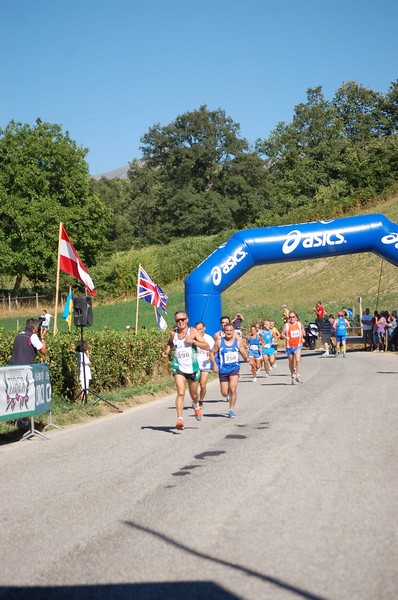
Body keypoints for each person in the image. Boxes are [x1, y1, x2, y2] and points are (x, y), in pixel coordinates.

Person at [162, 310, 209, 430]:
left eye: (182, 319)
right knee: (181, 392)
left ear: (187, 320)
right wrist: (167, 351)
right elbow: (170, 343)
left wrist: (193, 341)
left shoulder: (192, 331)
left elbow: (206, 346)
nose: (180, 322)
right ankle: (179, 419)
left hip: (192, 367)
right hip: (179, 367)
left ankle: (196, 405)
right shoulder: (174, 333)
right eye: (178, 320)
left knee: (193, 393)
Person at [10, 318, 47, 429]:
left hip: (13, 368)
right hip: (25, 370)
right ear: (35, 328)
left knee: (17, 395)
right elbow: (43, 351)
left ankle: (19, 419)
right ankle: (25, 422)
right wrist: (43, 337)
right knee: (26, 395)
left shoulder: (19, 335)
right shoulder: (33, 336)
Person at [210, 323, 248, 418]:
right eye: (227, 331)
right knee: (224, 393)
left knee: (233, 388)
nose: (229, 332)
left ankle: (231, 409)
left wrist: (246, 358)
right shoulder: (219, 342)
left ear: (233, 331)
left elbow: (243, 352)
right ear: (224, 332)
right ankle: (228, 396)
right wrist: (214, 364)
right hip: (223, 369)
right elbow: (211, 353)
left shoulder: (238, 342)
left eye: (231, 330)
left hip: (234, 368)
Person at [281, 311, 306, 384]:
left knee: (298, 359)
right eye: (290, 317)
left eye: (293, 317)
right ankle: (293, 375)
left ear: (296, 318)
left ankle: (298, 375)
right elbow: (282, 334)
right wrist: (286, 337)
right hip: (289, 346)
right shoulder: (286, 325)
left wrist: (302, 337)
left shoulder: (299, 324)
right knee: (291, 362)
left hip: (298, 345)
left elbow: (303, 333)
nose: (292, 318)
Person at [194, 321, 215, 407]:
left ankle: (201, 400)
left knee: (203, 385)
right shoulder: (194, 339)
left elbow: (214, 350)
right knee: (194, 387)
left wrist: (210, 353)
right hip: (195, 365)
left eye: (200, 329)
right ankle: (195, 400)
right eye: (197, 329)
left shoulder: (209, 338)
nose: (199, 331)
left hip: (205, 364)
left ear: (204, 328)